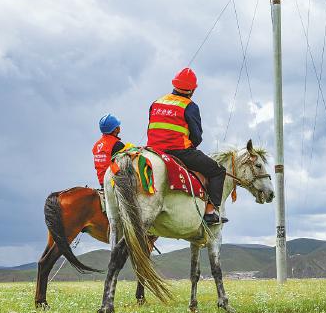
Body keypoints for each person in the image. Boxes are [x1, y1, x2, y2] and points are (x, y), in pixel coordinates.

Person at [146, 68, 227, 225]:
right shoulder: (190, 106)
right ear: (193, 90)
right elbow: (197, 136)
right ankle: (210, 213)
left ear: (174, 84)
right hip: (179, 152)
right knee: (218, 171)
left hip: (153, 151)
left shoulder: (156, 102)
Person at [93, 114, 126, 188]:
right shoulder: (117, 145)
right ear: (115, 129)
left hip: (102, 183)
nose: (119, 127)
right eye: (118, 126)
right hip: (114, 184)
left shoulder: (97, 145)